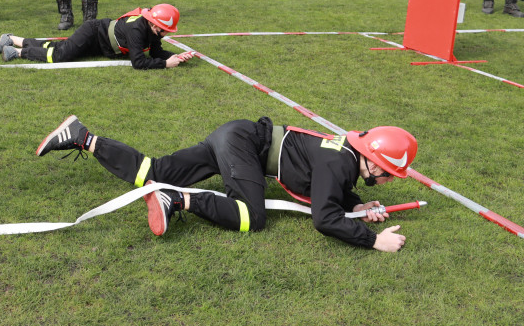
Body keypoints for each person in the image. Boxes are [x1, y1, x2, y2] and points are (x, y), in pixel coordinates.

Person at [35, 116, 417, 254]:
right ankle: (177, 199)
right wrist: (373, 240)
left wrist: (357, 208)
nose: (382, 182)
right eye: (386, 174)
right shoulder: (340, 163)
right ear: (375, 161)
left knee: (152, 169)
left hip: (235, 136)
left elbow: (329, 194)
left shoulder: (344, 155)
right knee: (252, 216)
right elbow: (323, 218)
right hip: (242, 146)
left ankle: (84, 137)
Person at [0, 3, 190, 69]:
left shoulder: (152, 29)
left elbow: (156, 52)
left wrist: (176, 57)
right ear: (156, 25)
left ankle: (12, 39)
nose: (166, 34)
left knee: (57, 48)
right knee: (59, 56)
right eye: (166, 30)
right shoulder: (138, 29)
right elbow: (138, 62)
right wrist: (165, 64)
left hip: (101, 43)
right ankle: (16, 52)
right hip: (94, 33)